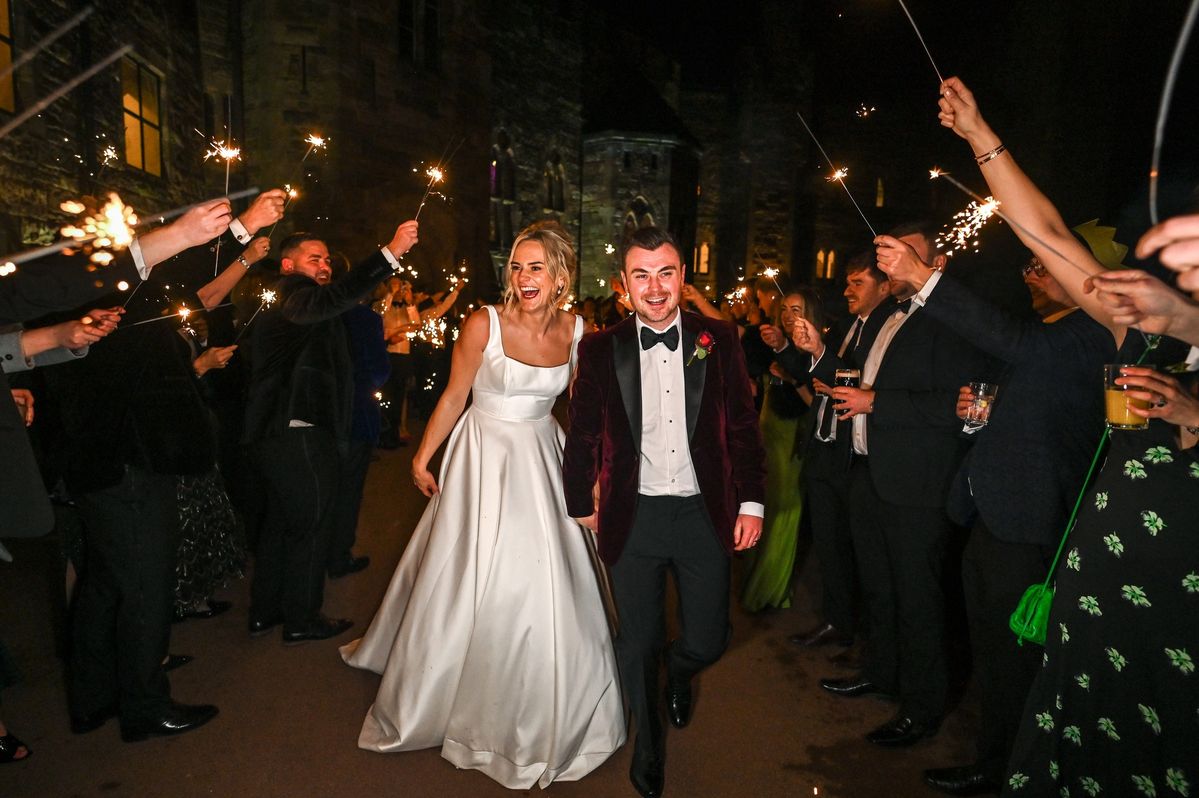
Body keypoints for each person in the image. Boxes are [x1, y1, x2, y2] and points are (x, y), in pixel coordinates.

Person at [938, 75, 1199, 795]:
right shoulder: (1144, 327)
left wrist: (1192, 413)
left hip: (1177, 604)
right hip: (1100, 578)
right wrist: (979, 136)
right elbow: (1047, 233)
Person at [342, 222, 624, 789]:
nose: (523, 277)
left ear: (561, 276)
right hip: (483, 456)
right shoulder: (483, 324)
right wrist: (423, 456)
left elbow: (583, 411)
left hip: (542, 455)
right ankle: (443, 682)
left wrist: (593, 474)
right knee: (470, 570)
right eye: (517, 267)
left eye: (536, 267)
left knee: (546, 574)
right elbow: (455, 395)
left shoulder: (578, 330)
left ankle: (550, 697)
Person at [45, 191, 284, 742]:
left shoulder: (103, 287)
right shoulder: (93, 283)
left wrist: (241, 237)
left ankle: (94, 697)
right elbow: (183, 272)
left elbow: (187, 285)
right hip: (127, 459)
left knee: (107, 582)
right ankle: (145, 706)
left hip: (110, 459)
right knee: (146, 586)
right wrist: (243, 228)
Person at [876, 248, 1114, 794]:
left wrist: (925, 279)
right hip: (990, 512)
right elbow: (1016, 408)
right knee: (991, 652)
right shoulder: (1046, 332)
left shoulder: (1094, 334)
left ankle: (1011, 768)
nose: (1030, 276)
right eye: (1026, 265)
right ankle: (995, 755)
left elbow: (1018, 347)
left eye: (1042, 266)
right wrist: (972, 415)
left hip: (1032, 522)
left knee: (1016, 661)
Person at [563, 226, 766, 798]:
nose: (655, 288)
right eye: (642, 276)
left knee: (709, 638)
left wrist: (751, 501)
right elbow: (582, 433)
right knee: (638, 643)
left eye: (666, 273)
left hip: (705, 513)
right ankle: (648, 750)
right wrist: (579, 500)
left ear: (682, 278)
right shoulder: (599, 348)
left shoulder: (718, 339)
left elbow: (743, 427)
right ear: (623, 286)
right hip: (634, 516)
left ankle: (680, 670)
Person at [817, 221, 986, 747]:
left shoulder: (951, 320)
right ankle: (882, 673)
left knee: (918, 597)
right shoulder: (890, 315)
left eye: (905, 253)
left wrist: (875, 402)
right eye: (887, 254)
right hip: (870, 472)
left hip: (917, 483)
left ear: (939, 264)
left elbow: (959, 405)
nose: (890, 263)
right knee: (879, 586)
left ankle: (923, 707)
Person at [242, 220, 418, 644]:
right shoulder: (294, 294)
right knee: (312, 523)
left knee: (282, 522)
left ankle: (267, 610)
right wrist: (390, 253)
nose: (324, 266)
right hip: (297, 430)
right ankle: (302, 618)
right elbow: (338, 297)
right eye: (314, 259)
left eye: (325, 259)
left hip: (280, 430)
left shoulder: (294, 302)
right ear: (288, 265)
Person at [766, 253, 894, 655]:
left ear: (884, 287)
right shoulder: (849, 327)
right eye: (848, 282)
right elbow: (816, 372)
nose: (848, 290)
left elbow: (855, 382)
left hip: (852, 456)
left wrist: (828, 370)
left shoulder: (886, 328)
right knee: (828, 545)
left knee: (850, 550)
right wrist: (785, 348)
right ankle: (837, 620)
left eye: (858, 283)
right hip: (823, 448)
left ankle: (858, 634)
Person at [741, 288, 820, 612]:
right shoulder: (772, 345)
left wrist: (790, 378)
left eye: (796, 310)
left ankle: (769, 589)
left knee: (784, 511)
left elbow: (816, 405)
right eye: (785, 309)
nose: (788, 315)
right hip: (766, 432)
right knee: (762, 506)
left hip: (792, 437)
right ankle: (754, 580)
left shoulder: (814, 352)